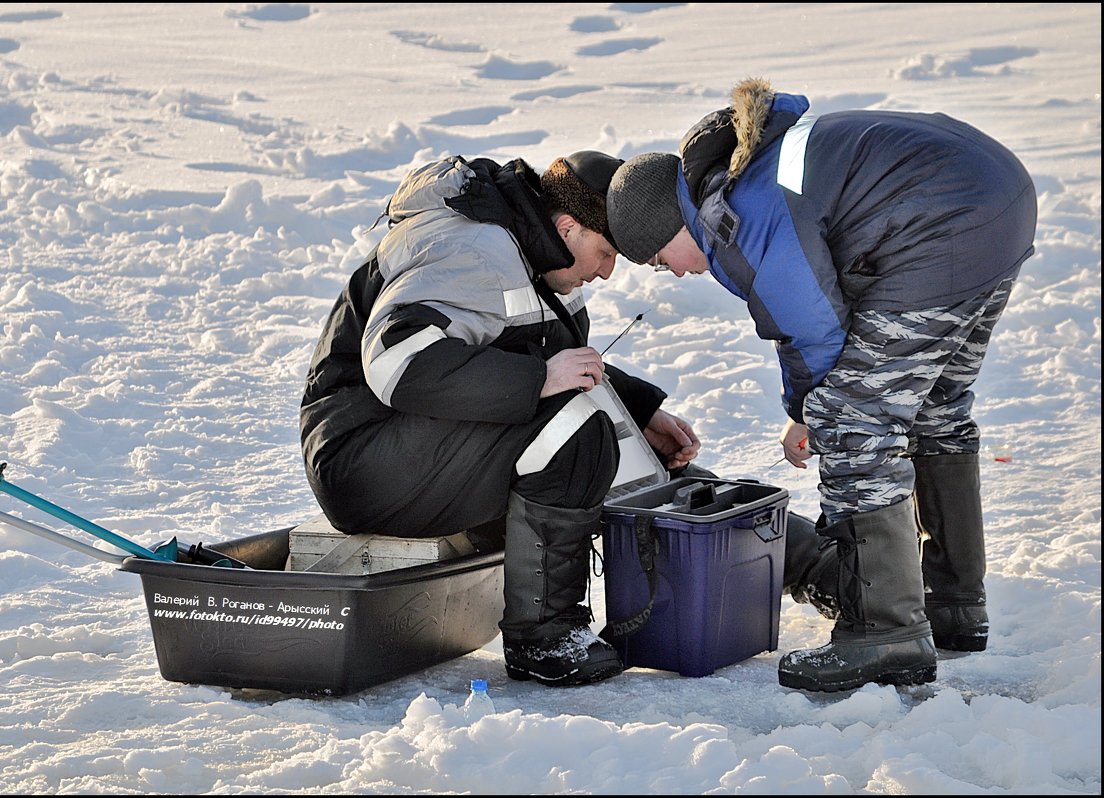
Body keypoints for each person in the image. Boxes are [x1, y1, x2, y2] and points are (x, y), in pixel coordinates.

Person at [605, 78, 1037, 692]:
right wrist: (805, 403)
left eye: (655, 258)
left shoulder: (741, 212)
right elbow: (807, 314)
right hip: (995, 200)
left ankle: (883, 632)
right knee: (931, 406)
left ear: (665, 224)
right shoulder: (745, 179)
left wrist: (810, 412)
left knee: (855, 418)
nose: (669, 272)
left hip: (943, 221)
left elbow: (811, 327)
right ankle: (954, 605)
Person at [299, 150, 701, 687]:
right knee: (572, 428)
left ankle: (801, 565)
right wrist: (539, 382)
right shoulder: (475, 248)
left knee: (614, 441)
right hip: (365, 460)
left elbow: (546, 361)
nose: (607, 272)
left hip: (420, 451)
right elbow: (400, 364)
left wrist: (641, 411)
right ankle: (544, 639)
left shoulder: (540, 259)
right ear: (567, 226)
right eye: (605, 252)